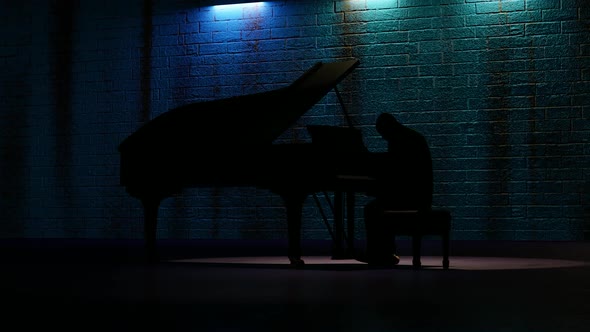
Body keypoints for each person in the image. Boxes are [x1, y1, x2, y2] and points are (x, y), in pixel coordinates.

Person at [361, 112, 433, 266]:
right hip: (419, 195)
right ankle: (386, 252)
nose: (383, 138)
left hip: (411, 197)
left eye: (382, 134)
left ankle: (378, 253)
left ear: (387, 128)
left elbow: (399, 175)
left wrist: (376, 188)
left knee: (372, 209)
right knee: (379, 206)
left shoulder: (398, 141)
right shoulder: (411, 137)